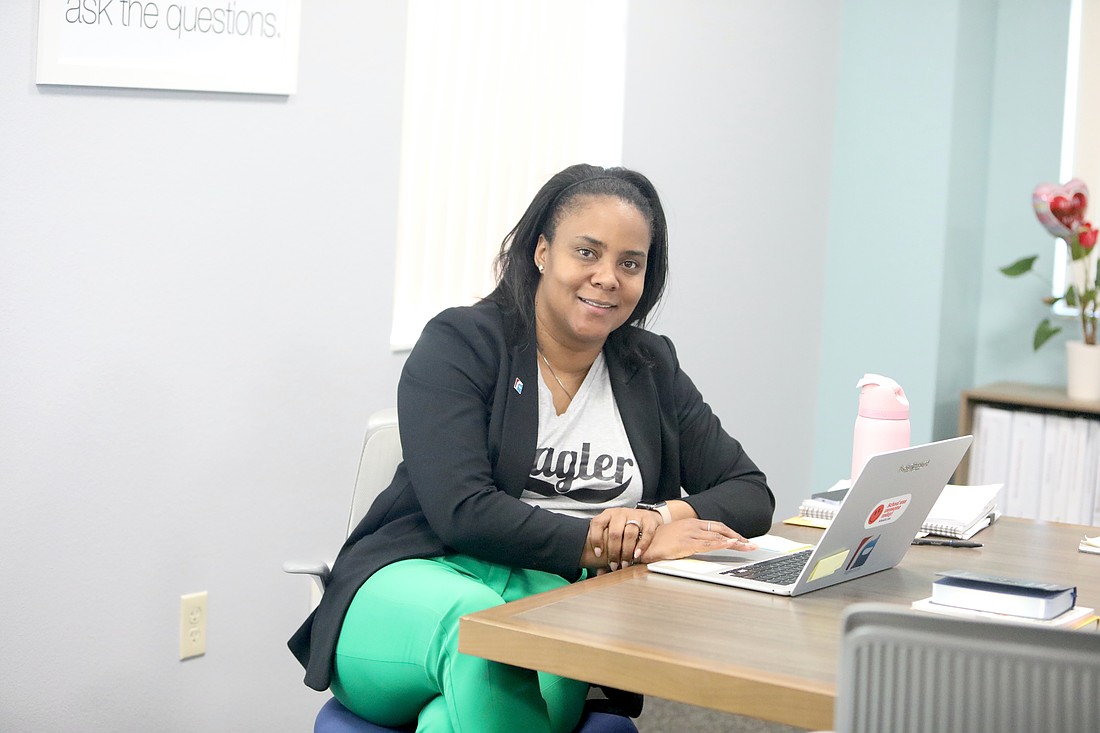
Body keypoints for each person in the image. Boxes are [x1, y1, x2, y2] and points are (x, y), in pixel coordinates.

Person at [288, 163, 775, 733]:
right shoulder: (463, 342)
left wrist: (655, 519)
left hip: (554, 601)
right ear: (542, 251)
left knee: (458, 713)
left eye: (630, 263)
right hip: (416, 585)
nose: (607, 277)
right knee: (483, 633)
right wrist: (615, 545)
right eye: (587, 252)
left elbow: (751, 493)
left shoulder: (649, 366)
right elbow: (462, 510)